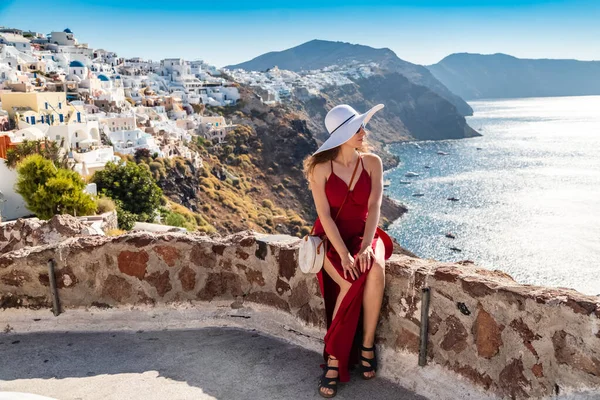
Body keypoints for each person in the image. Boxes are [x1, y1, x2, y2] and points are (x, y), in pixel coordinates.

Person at [303, 104, 394, 398]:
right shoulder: (319, 168)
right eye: (356, 129)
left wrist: (367, 246)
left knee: (376, 269)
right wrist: (343, 254)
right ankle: (335, 356)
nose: (363, 133)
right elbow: (325, 217)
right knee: (350, 280)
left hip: (365, 234)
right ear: (341, 135)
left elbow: (374, 206)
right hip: (331, 238)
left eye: (361, 127)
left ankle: (366, 346)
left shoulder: (373, 163)